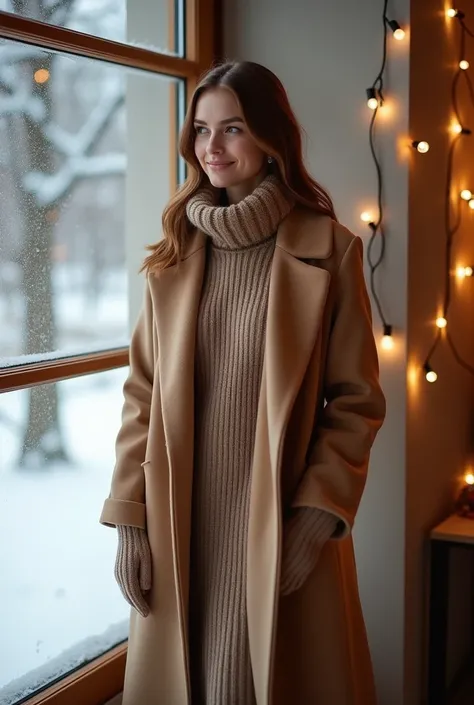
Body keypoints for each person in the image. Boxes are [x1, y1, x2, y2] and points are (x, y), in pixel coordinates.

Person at [100, 60, 386, 705]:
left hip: (279, 522)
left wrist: (316, 517)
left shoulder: (328, 250)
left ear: (269, 138)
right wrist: (130, 522)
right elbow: (140, 396)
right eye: (201, 130)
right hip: (182, 521)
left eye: (232, 128)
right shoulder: (172, 254)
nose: (212, 148)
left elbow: (356, 401)